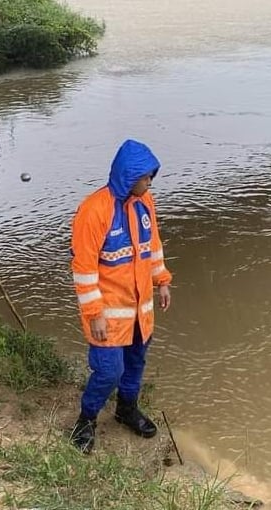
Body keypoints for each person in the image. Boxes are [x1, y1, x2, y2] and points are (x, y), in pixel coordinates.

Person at [69, 139, 172, 453]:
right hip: (108, 314)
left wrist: (162, 280)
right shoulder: (93, 211)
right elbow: (84, 269)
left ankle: (126, 410)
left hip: (140, 310)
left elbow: (152, 247)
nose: (149, 182)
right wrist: (94, 313)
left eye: (151, 176)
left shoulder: (145, 203)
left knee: (135, 363)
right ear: (129, 177)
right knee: (109, 371)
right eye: (145, 177)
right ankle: (85, 420)